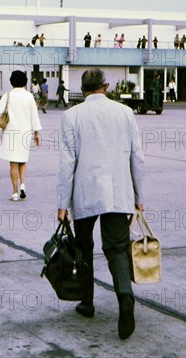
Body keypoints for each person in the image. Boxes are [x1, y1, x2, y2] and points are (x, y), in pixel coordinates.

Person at [57, 68, 144, 340]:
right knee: (117, 248)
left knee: (83, 248)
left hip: (86, 192)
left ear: (82, 90)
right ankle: (125, 297)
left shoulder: (71, 116)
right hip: (119, 192)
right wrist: (139, 197)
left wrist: (62, 203)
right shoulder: (125, 113)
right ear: (105, 87)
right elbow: (137, 158)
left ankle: (87, 301)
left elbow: (67, 163)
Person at [0, 70, 41, 202]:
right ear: (25, 81)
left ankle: (15, 192)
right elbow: (34, 116)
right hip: (25, 132)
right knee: (22, 161)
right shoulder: (29, 96)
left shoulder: (8, 95)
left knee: (13, 163)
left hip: (11, 132)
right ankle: (22, 184)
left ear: (11, 81)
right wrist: (36, 133)